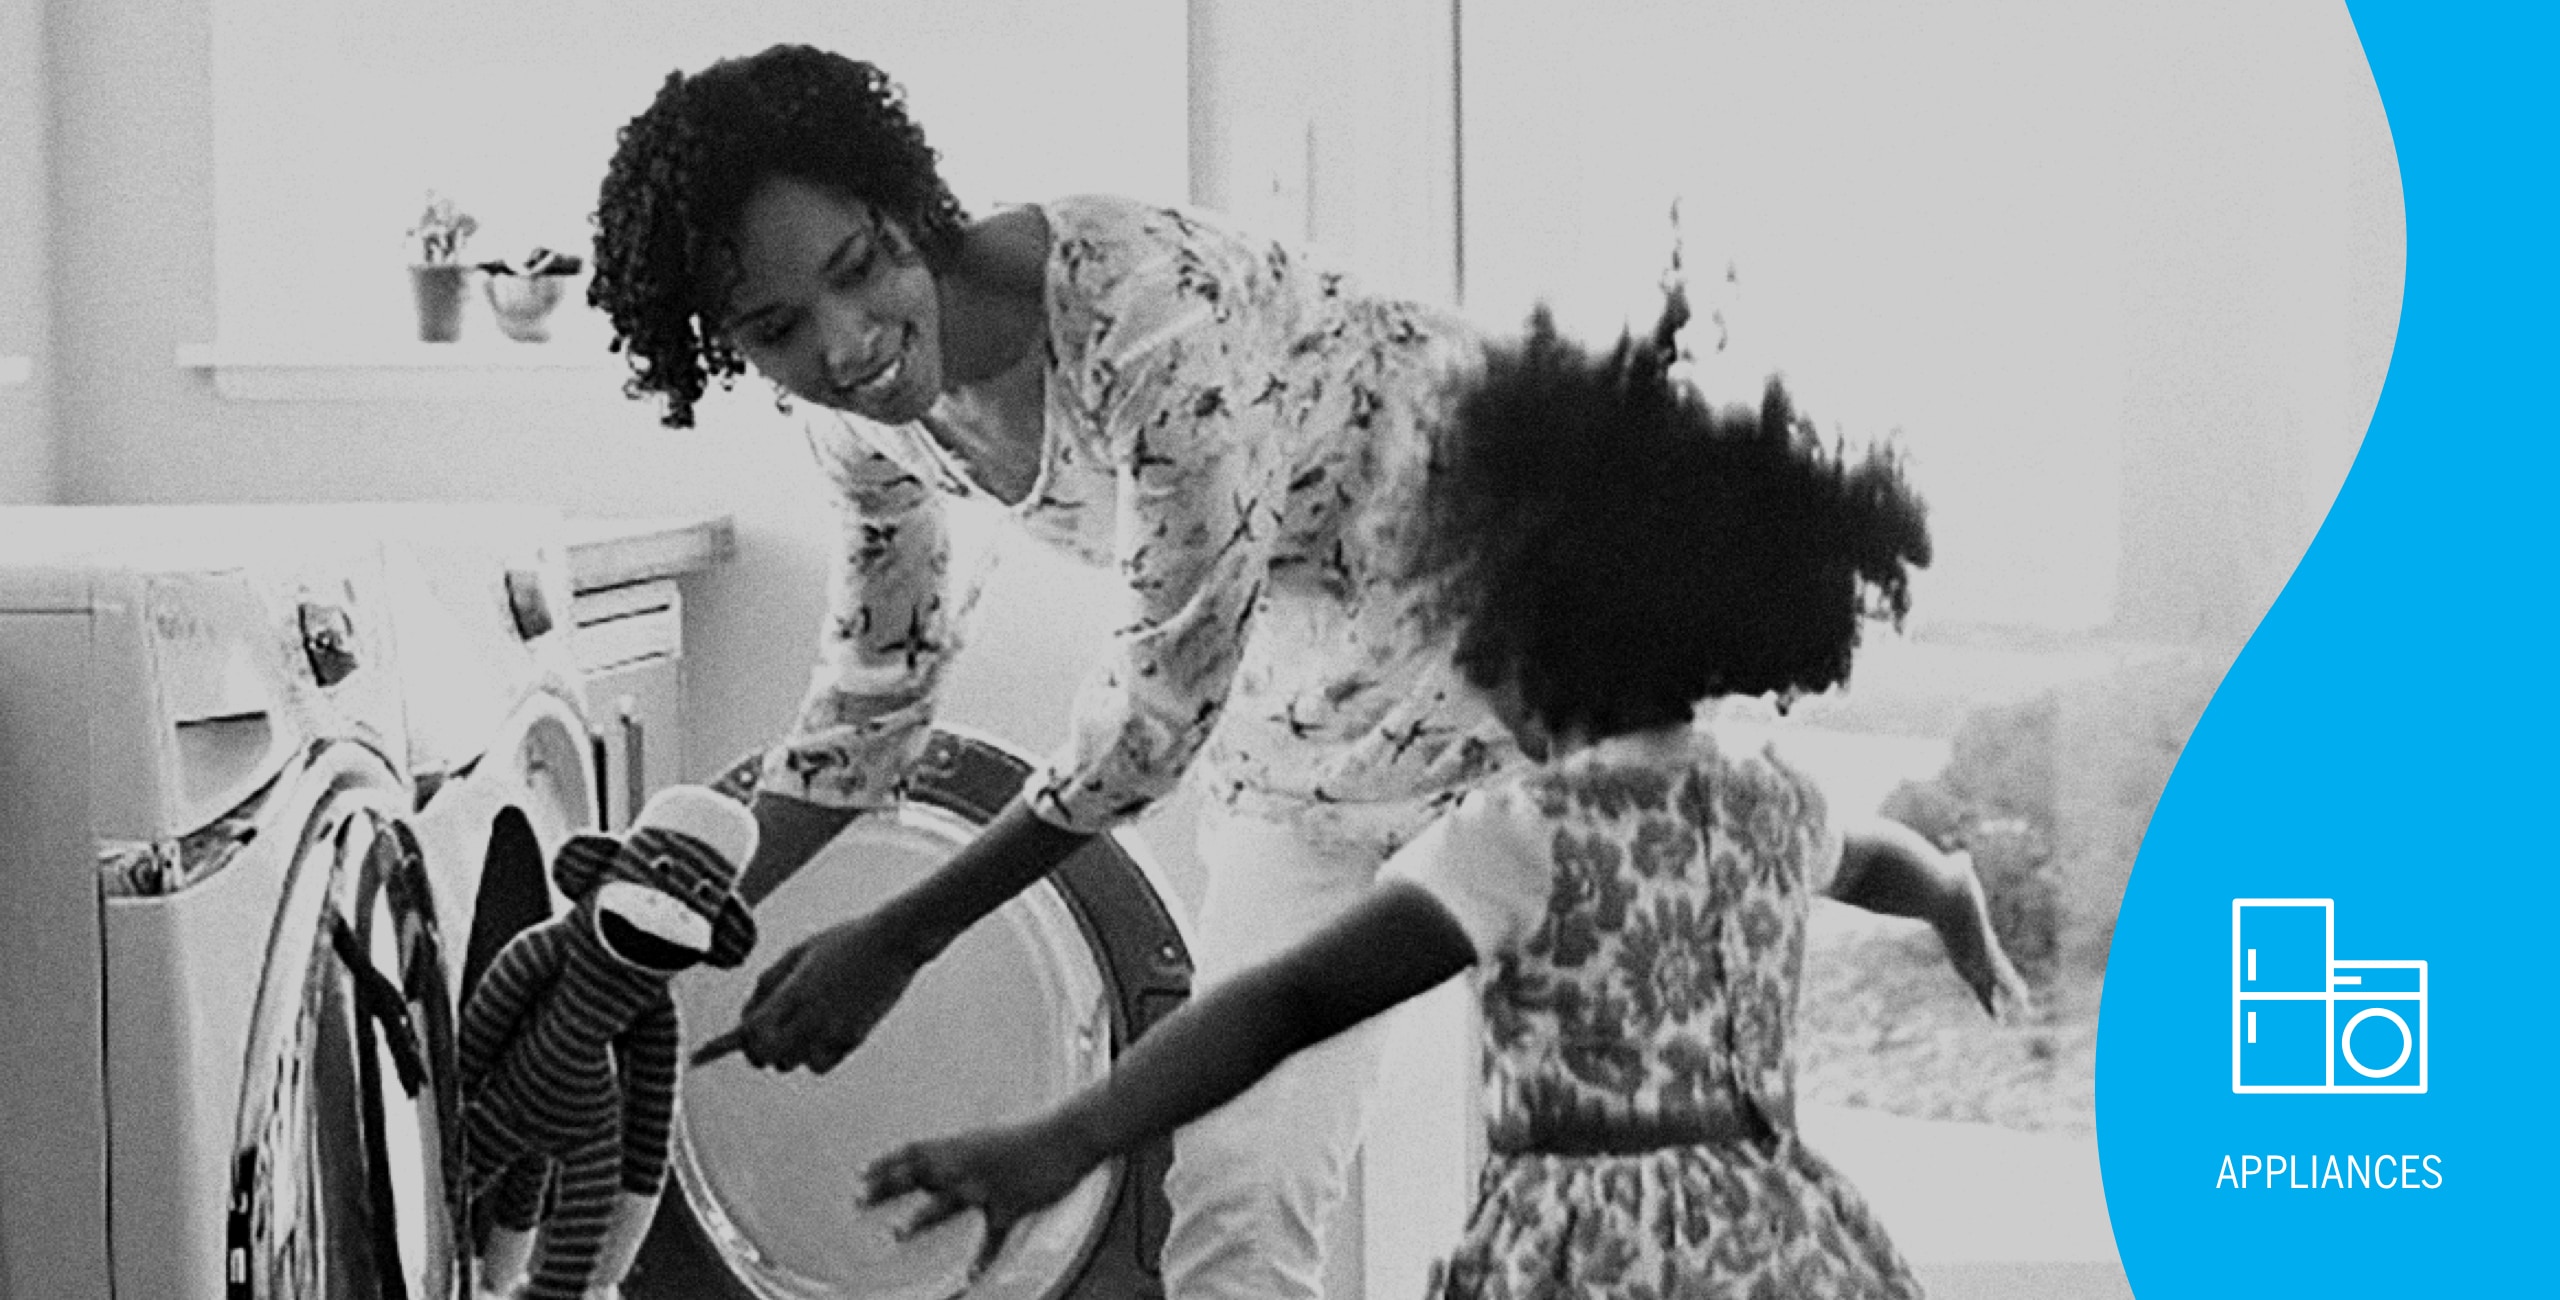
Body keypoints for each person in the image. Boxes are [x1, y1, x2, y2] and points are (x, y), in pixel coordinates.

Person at [858, 291, 2029, 1299]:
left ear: (1525, 635)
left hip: (1589, 1256)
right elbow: (1884, 861)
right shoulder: (1772, 802)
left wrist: (1070, 1133)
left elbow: (1288, 1001)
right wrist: (1953, 903)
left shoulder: (1526, 838)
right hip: (1774, 1240)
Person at [587, 43, 1526, 1299]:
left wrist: (902, 936)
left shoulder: (1147, 313)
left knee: (1625, 1132)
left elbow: (1154, 709)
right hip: (1315, 704)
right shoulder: (862, 426)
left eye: (857, 268)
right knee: (1236, 1183)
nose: (849, 343)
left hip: (1543, 617)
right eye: (777, 330)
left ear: (901, 203)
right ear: (727, 349)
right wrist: (644, 935)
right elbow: (873, 695)